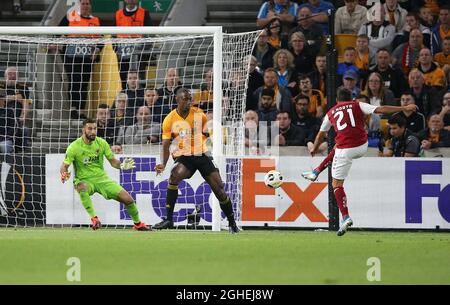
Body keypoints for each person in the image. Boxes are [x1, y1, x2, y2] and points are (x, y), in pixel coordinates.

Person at [301, 88, 418, 236]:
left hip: (346, 151)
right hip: (362, 146)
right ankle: (316, 171)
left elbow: (320, 135)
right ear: (351, 97)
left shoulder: (330, 112)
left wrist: (315, 149)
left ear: (337, 100)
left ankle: (345, 217)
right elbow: (381, 109)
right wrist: (404, 108)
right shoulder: (358, 104)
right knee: (338, 145)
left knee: (336, 184)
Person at [153, 88, 240, 233]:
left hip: (201, 154)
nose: (188, 102)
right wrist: (163, 163)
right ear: (177, 99)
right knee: (174, 175)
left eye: (190, 99)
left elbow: (208, 133)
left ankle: (232, 223)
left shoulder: (199, 114)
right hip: (185, 155)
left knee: (219, 189)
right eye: (185, 99)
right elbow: (166, 144)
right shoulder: (169, 119)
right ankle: (168, 220)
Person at [60, 118, 150, 231]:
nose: (93, 131)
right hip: (85, 180)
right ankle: (94, 219)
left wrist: (121, 165)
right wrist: (64, 174)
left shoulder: (102, 143)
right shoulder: (74, 147)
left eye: (95, 128)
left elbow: (113, 162)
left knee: (128, 200)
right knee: (81, 187)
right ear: (83, 130)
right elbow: (64, 166)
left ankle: (138, 224)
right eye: (90, 129)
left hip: (102, 179)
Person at [59, 0, 102, 119]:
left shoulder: (95, 20)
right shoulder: (71, 16)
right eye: (83, 3)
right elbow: (57, 31)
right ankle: (73, 108)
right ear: (79, 5)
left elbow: (101, 40)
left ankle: (81, 110)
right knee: (74, 81)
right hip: (71, 57)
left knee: (84, 83)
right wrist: (57, 43)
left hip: (87, 58)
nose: (85, 6)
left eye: (87, 4)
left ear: (91, 6)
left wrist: (97, 50)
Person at [114, 0, 152, 90]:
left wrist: (145, 52)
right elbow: (113, 36)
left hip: (139, 56)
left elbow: (150, 35)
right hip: (123, 55)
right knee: (124, 80)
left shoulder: (144, 13)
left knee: (140, 81)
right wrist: (117, 50)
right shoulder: (118, 14)